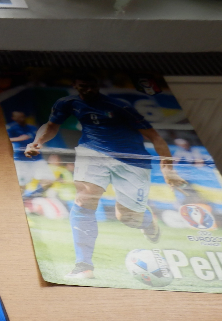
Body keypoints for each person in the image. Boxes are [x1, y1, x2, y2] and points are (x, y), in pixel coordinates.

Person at [25, 74, 187, 279]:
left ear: (98, 85)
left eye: (91, 85)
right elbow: (51, 125)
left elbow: (155, 137)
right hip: (92, 151)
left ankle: (146, 221)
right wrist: (37, 142)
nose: (87, 89)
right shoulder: (67, 103)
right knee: (84, 198)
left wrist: (168, 170)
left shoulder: (120, 106)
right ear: (75, 84)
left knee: (127, 218)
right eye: (83, 85)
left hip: (130, 158)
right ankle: (83, 266)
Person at [6, 110, 55, 197]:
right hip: (21, 159)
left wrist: (40, 144)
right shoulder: (11, 128)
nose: (22, 119)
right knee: (21, 185)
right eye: (19, 117)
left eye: (23, 116)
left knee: (49, 180)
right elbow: (3, 140)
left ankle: (33, 195)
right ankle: (21, 199)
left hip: (37, 158)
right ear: (14, 118)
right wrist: (19, 138)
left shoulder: (32, 128)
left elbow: (39, 139)